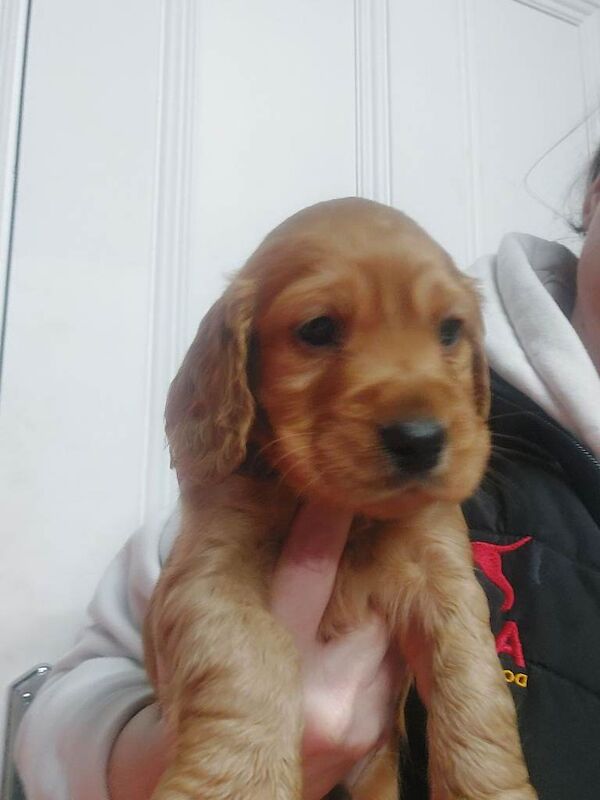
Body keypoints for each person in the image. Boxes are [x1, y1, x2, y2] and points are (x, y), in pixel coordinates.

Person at [15, 145, 600, 800]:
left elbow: (452, 631)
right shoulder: (245, 487)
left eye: (447, 332)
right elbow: (70, 697)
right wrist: (174, 756)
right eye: (319, 330)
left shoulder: (452, 480)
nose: (417, 418)